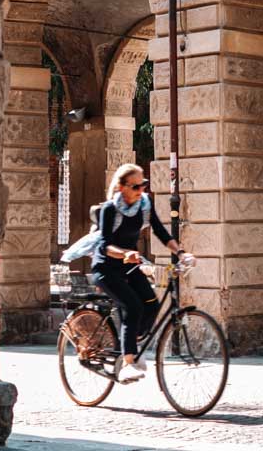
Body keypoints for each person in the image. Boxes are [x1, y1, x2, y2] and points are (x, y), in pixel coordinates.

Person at [91, 162, 186, 382]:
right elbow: (105, 245)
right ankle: (127, 363)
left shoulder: (144, 204)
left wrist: (181, 253)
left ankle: (130, 344)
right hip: (106, 267)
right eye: (136, 186)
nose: (141, 190)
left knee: (151, 304)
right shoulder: (110, 209)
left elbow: (161, 232)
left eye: (143, 184)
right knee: (132, 306)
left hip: (129, 265)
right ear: (123, 187)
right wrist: (125, 253)